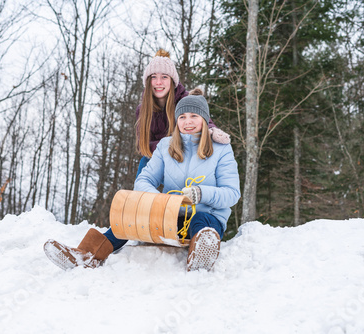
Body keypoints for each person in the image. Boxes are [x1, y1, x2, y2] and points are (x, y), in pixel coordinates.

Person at [44, 89, 240, 272]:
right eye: (182, 117)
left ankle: (201, 254)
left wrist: (201, 193)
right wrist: (159, 202)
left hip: (206, 217)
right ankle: (86, 256)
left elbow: (232, 194)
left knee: (201, 221)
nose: (188, 122)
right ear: (177, 120)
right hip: (170, 216)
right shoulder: (166, 146)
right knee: (129, 216)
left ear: (204, 119)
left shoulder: (220, 149)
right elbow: (144, 179)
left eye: (194, 116)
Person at [135, 48, 230, 177]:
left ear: (172, 81)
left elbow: (204, 121)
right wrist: (166, 147)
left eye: (164, 77)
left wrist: (213, 131)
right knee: (145, 162)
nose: (158, 82)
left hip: (185, 156)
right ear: (147, 81)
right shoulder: (143, 110)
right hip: (160, 159)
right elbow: (144, 145)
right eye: (153, 77)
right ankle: (140, 194)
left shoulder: (185, 100)